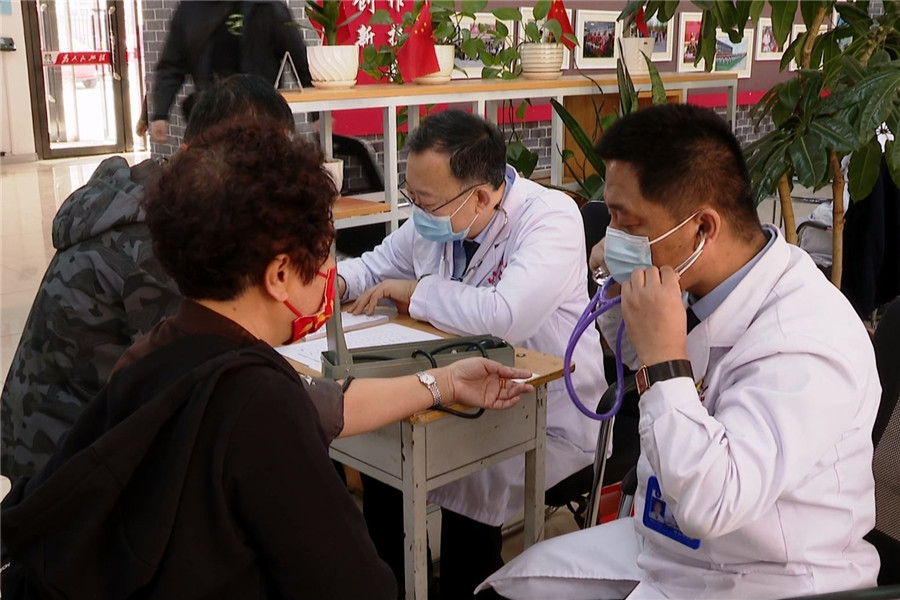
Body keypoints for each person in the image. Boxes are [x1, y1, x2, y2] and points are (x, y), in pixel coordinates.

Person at [1, 116, 535, 599]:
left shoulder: (157, 349)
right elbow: (359, 584)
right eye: (323, 253)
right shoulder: (257, 402)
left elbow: (325, 406)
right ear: (279, 275)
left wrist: (443, 382)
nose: (330, 273)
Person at [479, 103, 881, 599]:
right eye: (611, 215)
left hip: (766, 575)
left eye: (627, 222)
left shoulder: (808, 341)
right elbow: (643, 369)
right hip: (670, 546)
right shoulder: (698, 281)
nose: (612, 236)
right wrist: (618, 292)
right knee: (507, 591)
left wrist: (665, 362)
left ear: (702, 228)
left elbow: (712, 502)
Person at [337, 109, 606, 598]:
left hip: (542, 409)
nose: (418, 212)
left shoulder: (549, 217)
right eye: (412, 197)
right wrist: (335, 283)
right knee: (385, 463)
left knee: (468, 492)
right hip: (458, 391)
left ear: (480, 196)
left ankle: (466, 585)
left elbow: (505, 316)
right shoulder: (441, 215)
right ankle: (397, 584)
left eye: (426, 202)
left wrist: (417, 291)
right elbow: (377, 265)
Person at [0, 74, 292, 486]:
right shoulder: (162, 240)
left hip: (43, 428)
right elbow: (195, 377)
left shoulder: (146, 192)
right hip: (65, 459)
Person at [149, 0, 312, 143]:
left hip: (260, 116)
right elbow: (172, 66)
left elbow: (299, 58)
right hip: (211, 118)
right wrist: (160, 113)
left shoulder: (267, 7)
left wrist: (317, 114)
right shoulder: (192, 10)